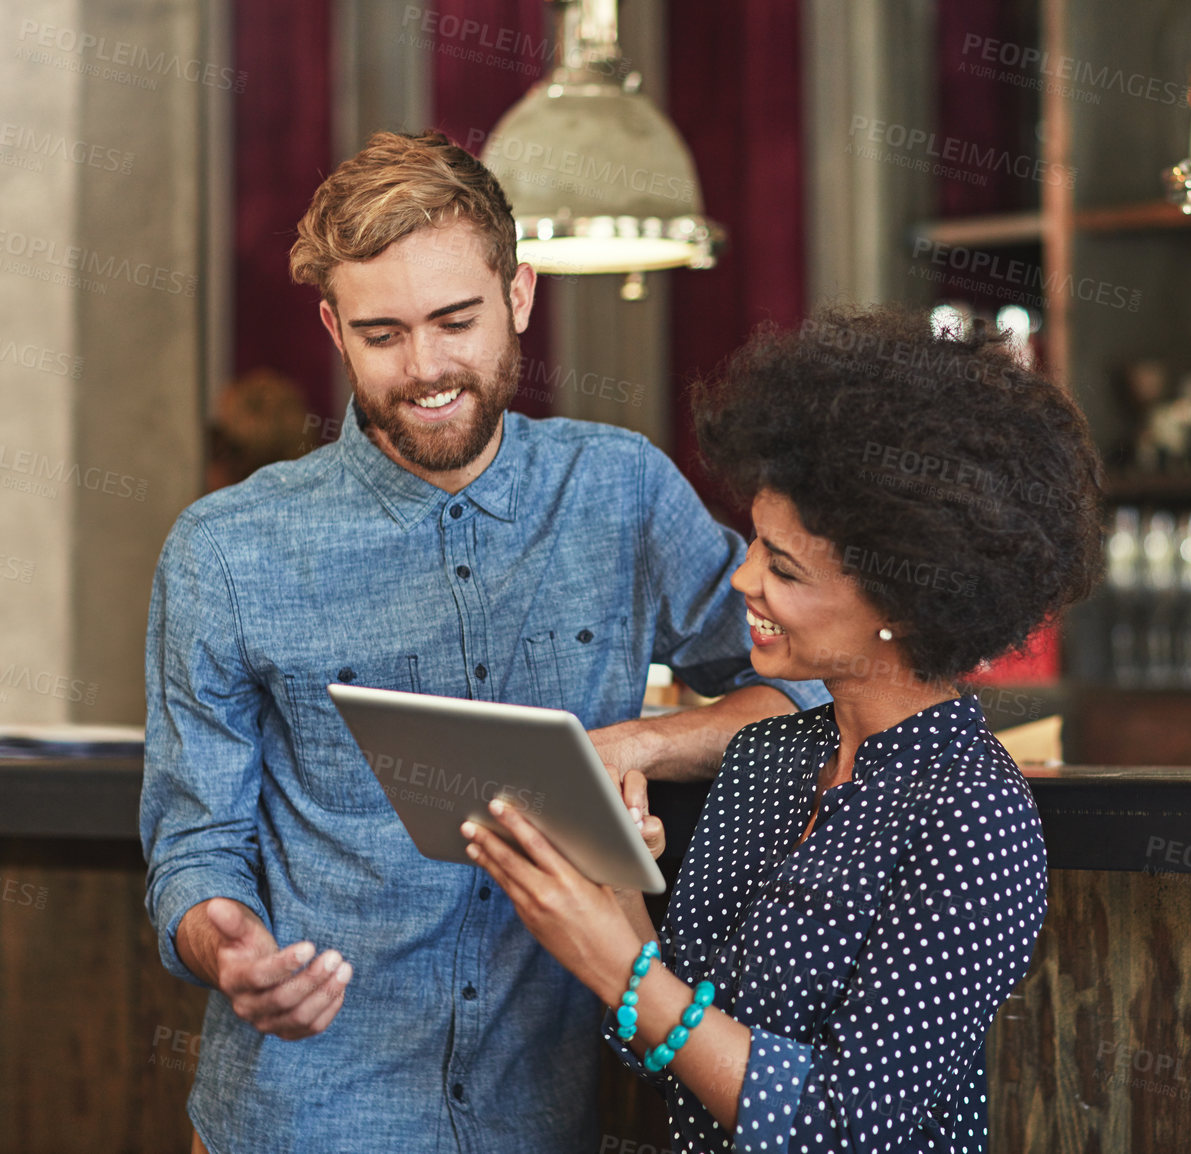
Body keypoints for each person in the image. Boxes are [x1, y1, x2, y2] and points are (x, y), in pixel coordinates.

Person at [140, 130, 825, 1154]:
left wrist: (638, 743)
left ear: (519, 295)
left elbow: (812, 693)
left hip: (537, 1116)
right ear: (332, 327)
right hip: (300, 1117)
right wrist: (221, 941)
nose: (425, 370)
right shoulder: (226, 548)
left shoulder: (623, 493)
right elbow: (193, 846)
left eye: (455, 320)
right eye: (382, 334)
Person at [463, 305, 1103, 1151]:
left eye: (784, 567)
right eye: (756, 545)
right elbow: (665, 1038)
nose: (743, 580)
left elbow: (846, 1128)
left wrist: (609, 960)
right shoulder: (769, 756)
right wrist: (610, 878)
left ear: (904, 604)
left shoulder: (972, 813)